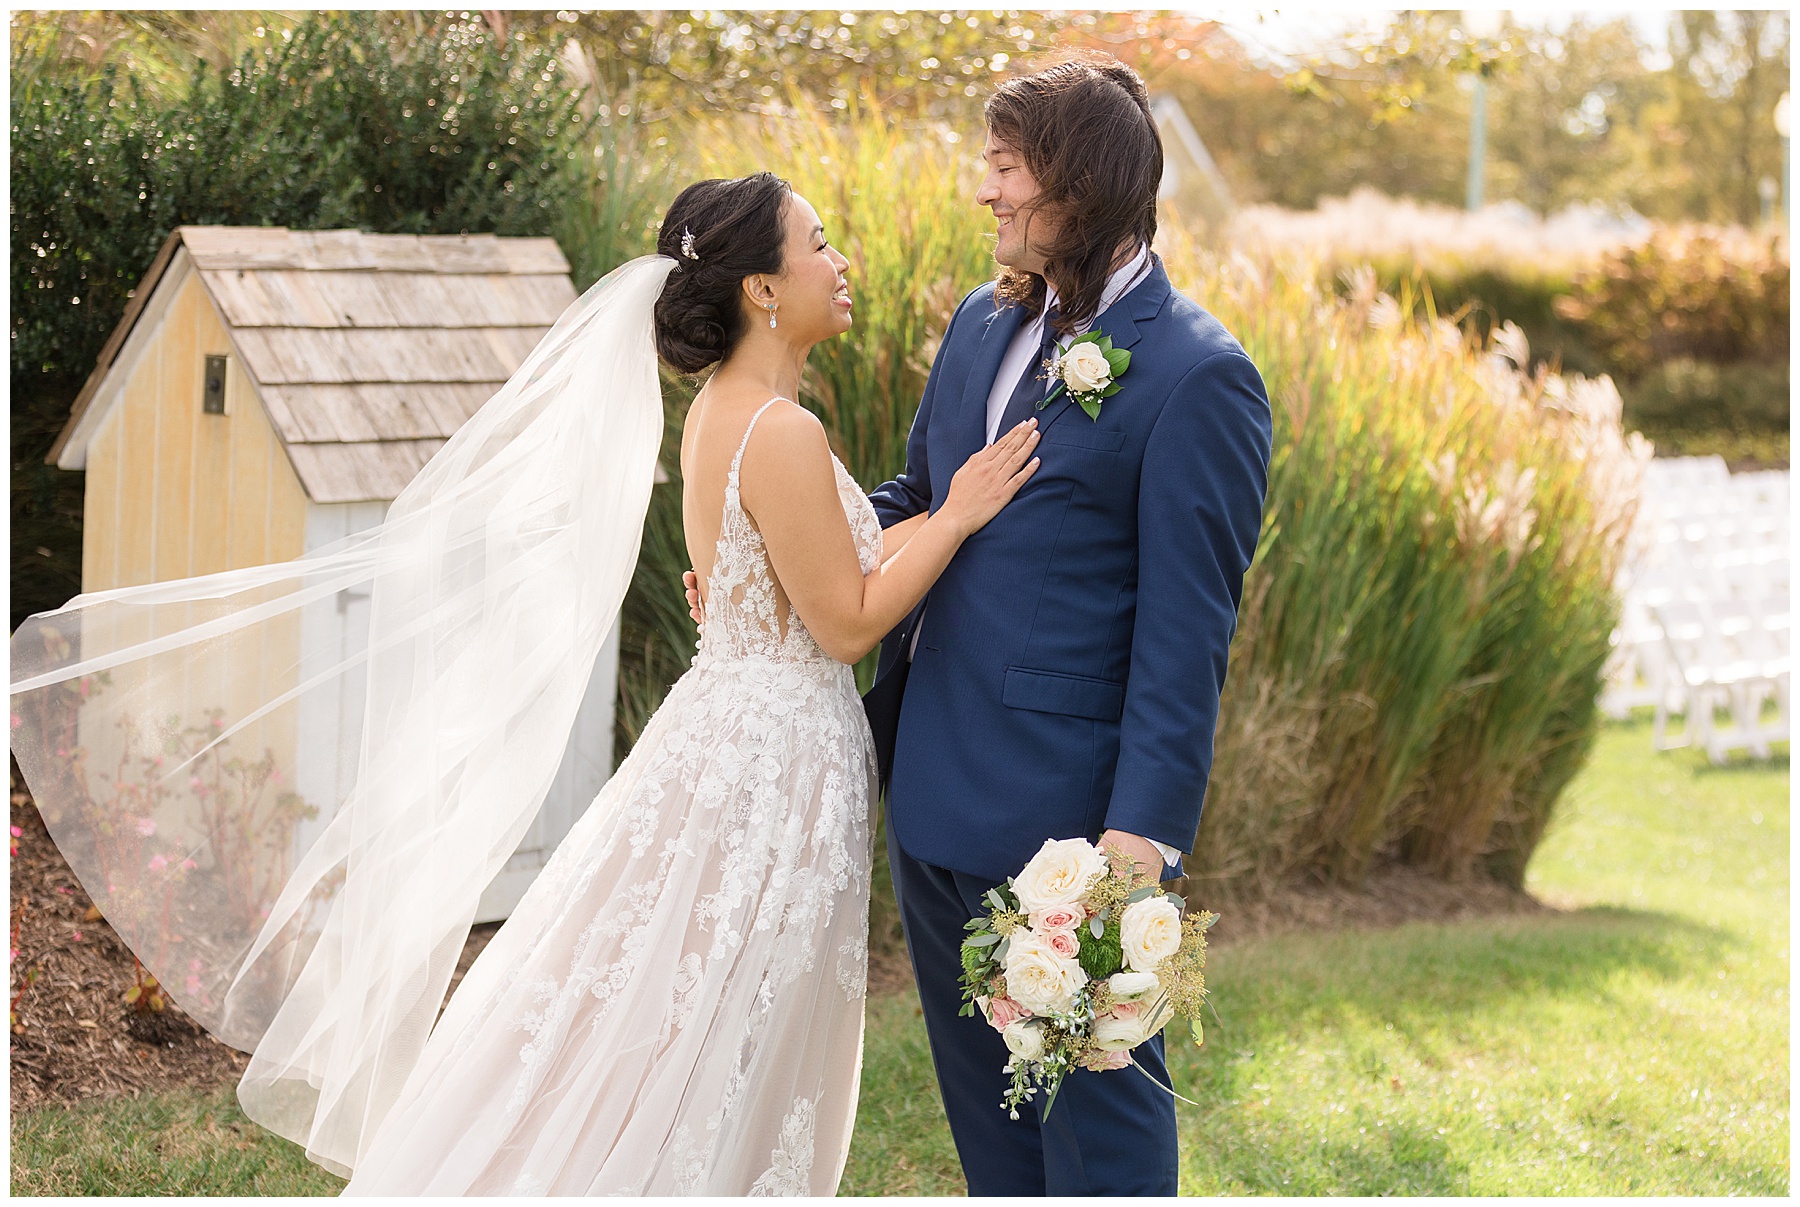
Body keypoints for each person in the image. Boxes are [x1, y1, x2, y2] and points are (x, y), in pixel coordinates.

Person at [9, 172, 1040, 1194]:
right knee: (722, 1022)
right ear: (763, 289)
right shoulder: (782, 430)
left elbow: (802, 574)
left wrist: (918, 527)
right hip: (768, 769)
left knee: (671, 1008)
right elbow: (848, 617)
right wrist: (957, 514)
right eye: (819, 242)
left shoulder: (725, 413)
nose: (841, 262)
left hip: (737, 735)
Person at [687, 52, 1273, 1196]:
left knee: (1100, 1145)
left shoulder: (1201, 377)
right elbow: (915, 500)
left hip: (1069, 836)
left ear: (1079, 186)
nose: (985, 190)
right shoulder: (977, 323)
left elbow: (1186, 632)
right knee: (995, 1151)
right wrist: (771, 558)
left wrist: (1138, 845)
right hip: (935, 796)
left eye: (1006, 167)